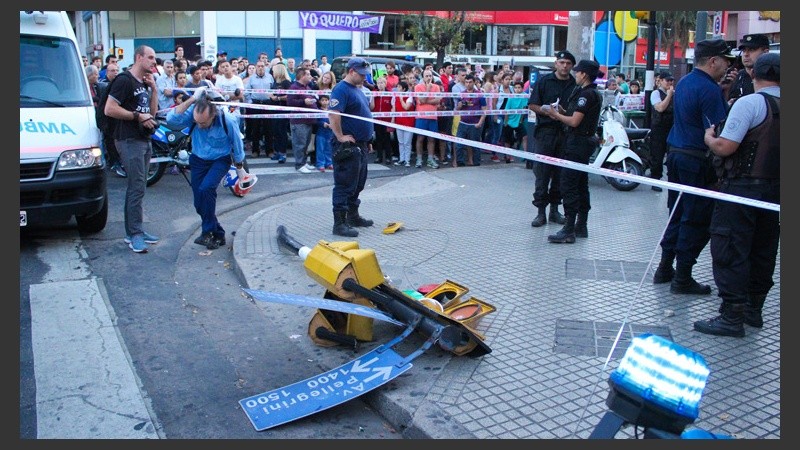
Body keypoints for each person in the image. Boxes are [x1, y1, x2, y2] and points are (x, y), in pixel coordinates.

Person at [693, 53, 780, 337]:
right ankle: (754, 310)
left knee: (730, 247)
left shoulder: (750, 103)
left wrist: (709, 138)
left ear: (755, 74)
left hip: (741, 188)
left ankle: (732, 316)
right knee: (764, 249)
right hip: (776, 191)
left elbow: (725, 147)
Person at [652, 38, 735, 294]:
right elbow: (717, 130)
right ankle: (683, 277)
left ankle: (665, 267)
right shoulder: (709, 90)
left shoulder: (685, 82)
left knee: (676, 212)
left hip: (676, 154)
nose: (728, 66)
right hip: (696, 159)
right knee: (695, 217)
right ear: (713, 61)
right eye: (725, 61)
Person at [166, 87, 246, 250]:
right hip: (198, 159)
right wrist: (192, 100)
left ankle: (207, 232)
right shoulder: (195, 113)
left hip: (220, 160)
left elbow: (237, 143)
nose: (199, 125)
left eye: (203, 123)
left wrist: (240, 168)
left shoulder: (227, 120)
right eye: (197, 122)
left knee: (207, 188)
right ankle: (218, 234)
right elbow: (171, 120)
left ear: (213, 115)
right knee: (199, 202)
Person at [103, 45, 161, 253]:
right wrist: (137, 116)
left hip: (143, 139)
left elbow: (151, 113)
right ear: (139, 57)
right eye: (151, 57)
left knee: (140, 186)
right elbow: (109, 109)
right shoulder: (124, 80)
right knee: (136, 186)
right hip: (128, 140)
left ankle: (136, 230)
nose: (154, 62)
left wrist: (153, 90)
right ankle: (134, 234)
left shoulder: (143, 83)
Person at [539, 60, 602, 243]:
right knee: (581, 184)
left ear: (584, 74)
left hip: (577, 143)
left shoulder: (586, 95)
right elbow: (576, 116)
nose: (575, 75)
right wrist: (563, 111)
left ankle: (569, 229)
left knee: (569, 184)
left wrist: (556, 115)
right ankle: (581, 225)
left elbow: (575, 122)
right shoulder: (589, 93)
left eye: (578, 72)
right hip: (582, 142)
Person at [527, 50, 575, 227]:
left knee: (560, 173)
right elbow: (532, 104)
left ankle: (555, 210)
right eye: (561, 62)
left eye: (568, 63)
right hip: (545, 132)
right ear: (556, 64)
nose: (564, 66)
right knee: (542, 173)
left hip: (565, 132)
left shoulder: (574, 84)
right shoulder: (544, 81)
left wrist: (564, 113)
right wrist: (546, 111)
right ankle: (540, 212)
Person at [327, 57, 374, 237]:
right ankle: (339, 223)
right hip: (347, 146)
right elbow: (333, 115)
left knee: (358, 183)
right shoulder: (341, 89)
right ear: (351, 71)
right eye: (361, 75)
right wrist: (340, 136)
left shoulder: (357, 90)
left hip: (360, 145)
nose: (364, 78)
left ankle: (353, 216)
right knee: (344, 184)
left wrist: (368, 140)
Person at [287, 67, 319, 173]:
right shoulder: (294, 87)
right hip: (299, 121)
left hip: (309, 120)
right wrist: (303, 101)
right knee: (299, 143)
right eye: (308, 74)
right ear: (302, 76)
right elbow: (290, 103)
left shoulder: (308, 87)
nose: (310, 76)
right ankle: (299, 164)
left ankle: (304, 162)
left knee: (306, 143)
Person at [725, 33, 770, 105]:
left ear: (765, 52)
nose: (746, 54)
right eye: (744, 50)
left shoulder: (772, 76)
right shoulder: (738, 76)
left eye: (751, 50)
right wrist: (726, 89)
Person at [648, 71, 675, 192]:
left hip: (671, 128)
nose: (670, 83)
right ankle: (655, 180)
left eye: (671, 81)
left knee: (672, 155)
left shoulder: (675, 94)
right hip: (658, 129)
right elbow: (660, 108)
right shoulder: (656, 93)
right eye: (667, 80)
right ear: (661, 81)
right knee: (657, 155)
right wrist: (669, 95)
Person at [453, 73, 486, 167]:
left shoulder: (480, 95)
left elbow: (484, 110)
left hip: (474, 124)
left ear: (474, 82)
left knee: (475, 145)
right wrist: (459, 106)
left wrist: (480, 123)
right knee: (459, 144)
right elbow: (457, 109)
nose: (468, 84)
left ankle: (476, 164)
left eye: (470, 82)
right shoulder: (462, 94)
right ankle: (460, 163)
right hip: (463, 122)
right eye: (466, 82)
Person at [243, 60, 274, 158]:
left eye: (262, 66)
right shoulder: (251, 79)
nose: (260, 68)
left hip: (267, 104)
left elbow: (273, 89)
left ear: (265, 67)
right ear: (256, 67)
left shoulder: (270, 77)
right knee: (255, 128)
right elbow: (247, 92)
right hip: (255, 104)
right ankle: (255, 150)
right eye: (259, 66)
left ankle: (269, 151)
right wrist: (250, 102)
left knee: (268, 129)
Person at [413, 68, 441, 168]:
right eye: (426, 76)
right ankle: (419, 159)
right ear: (423, 77)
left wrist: (426, 101)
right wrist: (428, 90)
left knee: (431, 139)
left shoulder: (437, 87)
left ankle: (430, 159)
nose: (429, 78)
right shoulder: (418, 87)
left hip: (433, 116)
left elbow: (438, 100)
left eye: (430, 76)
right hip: (421, 116)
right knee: (420, 138)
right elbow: (421, 100)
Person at [392, 80, 416, 167]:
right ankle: (401, 159)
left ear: (403, 89)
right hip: (399, 122)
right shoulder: (395, 97)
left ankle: (407, 160)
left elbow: (406, 107)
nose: (397, 89)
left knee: (407, 142)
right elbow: (394, 108)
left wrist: (401, 99)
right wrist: (393, 119)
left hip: (408, 122)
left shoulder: (409, 96)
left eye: (399, 87)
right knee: (401, 142)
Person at [315, 95, 334, 172]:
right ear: (319, 101)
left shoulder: (331, 110)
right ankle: (320, 164)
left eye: (326, 100)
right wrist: (323, 124)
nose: (325, 102)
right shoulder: (318, 110)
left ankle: (329, 163)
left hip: (330, 132)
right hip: (321, 133)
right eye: (322, 100)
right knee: (320, 149)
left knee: (329, 148)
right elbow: (316, 121)